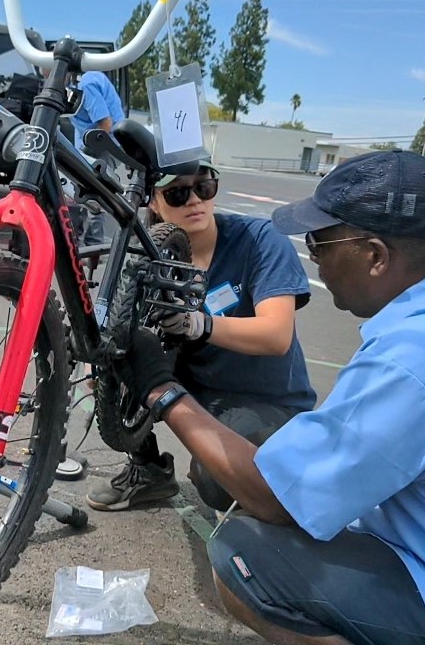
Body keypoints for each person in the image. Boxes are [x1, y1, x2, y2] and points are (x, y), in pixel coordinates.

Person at [116, 150, 425, 645]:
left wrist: (162, 391)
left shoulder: (420, 356)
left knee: (246, 552)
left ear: (375, 255)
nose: (314, 258)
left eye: (320, 243)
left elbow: (277, 498)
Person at [86, 161, 315, 512]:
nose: (195, 201)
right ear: (155, 204)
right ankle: (148, 469)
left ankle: (267, 506)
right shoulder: (146, 255)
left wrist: (199, 324)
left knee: (216, 481)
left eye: (204, 188)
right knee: (121, 352)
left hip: (269, 400)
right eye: (177, 193)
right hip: (199, 392)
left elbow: (276, 334)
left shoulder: (258, 240)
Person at [69, 70, 125, 266]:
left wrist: (84, 151)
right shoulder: (73, 86)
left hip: (104, 145)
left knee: (94, 196)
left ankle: (93, 249)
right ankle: (85, 248)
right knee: (83, 195)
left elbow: (105, 124)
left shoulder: (87, 84)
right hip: (93, 145)